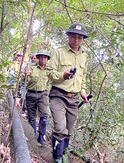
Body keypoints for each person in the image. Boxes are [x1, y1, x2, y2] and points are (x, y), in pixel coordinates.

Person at [47, 22, 90, 162]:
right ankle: (57, 158)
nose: (76, 40)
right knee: (60, 128)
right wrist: (63, 75)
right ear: (69, 36)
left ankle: (63, 155)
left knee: (68, 131)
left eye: (79, 37)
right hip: (58, 95)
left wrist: (83, 92)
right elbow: (49, 73)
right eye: (74, 37)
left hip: (74, 99)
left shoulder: (84, 56)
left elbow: (82, 77)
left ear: (82, 39)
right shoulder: (59, 52)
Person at [24, 51, 51, 145]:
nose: (43, 59)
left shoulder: (48, 70)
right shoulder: (31, 67)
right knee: (31, 117)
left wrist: (47, 91)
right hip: (31, 94)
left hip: (43, 94)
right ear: (38, 58)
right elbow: (25, 80)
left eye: (45, 58)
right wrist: (26, 74)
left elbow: (50, 81)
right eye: (41, 57)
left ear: (47, 60)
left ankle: (41, 136)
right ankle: (32, 135)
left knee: (44, 116)